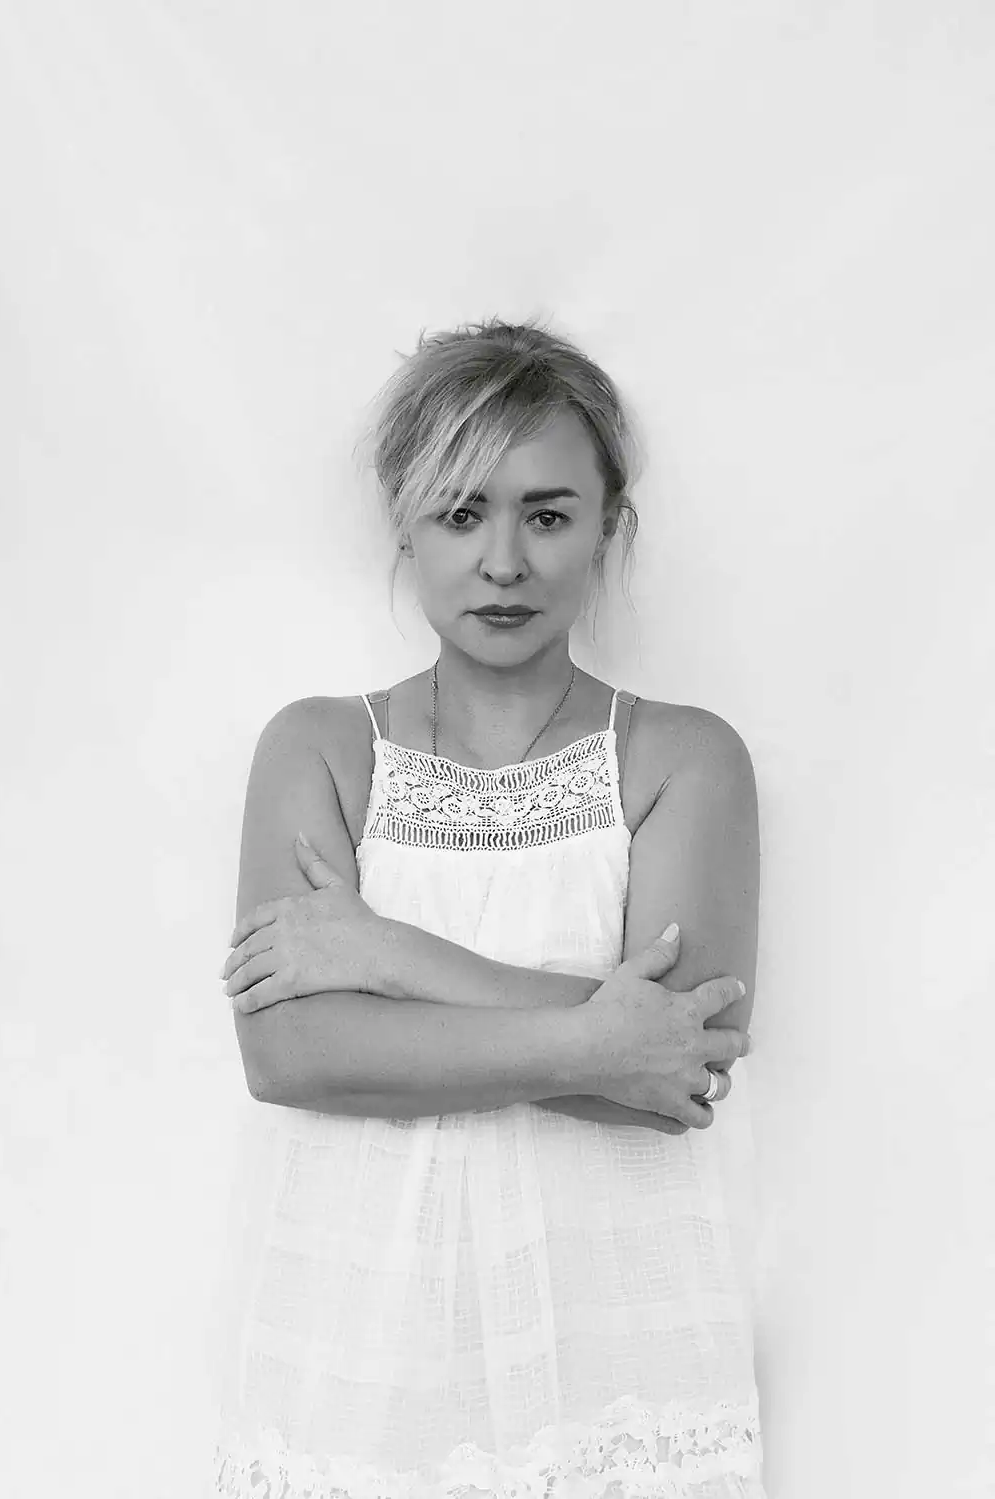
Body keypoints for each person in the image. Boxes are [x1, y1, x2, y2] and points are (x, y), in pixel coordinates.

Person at [211, 317, 765, 1496]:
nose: (503, 560)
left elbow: (681, 1065)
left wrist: (387, 954)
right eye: (461, 513)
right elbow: (291, 1053)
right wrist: (595, 1040)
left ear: (608, 526)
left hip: (615, 1352)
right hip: (355, 1350)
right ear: (404, 523)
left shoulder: (680, 756)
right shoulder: (319, 749)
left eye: (547, 515)